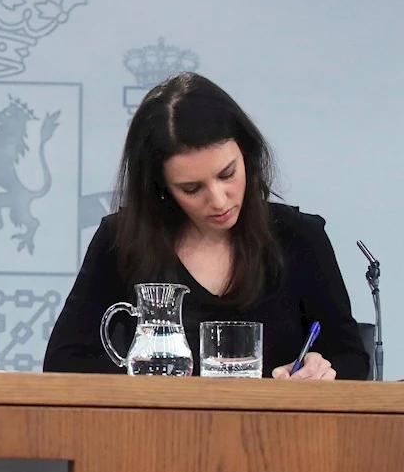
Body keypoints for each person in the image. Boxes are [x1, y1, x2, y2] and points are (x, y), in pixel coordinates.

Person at [43, 72, 368, 380]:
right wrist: (145, 382)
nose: (218, 199)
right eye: (191, 188)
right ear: (162, 188)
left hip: (279, 435)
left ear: (247, 154)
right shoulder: (121, 240)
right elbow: (63, 362)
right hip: (155, 434)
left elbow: (350, 356)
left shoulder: (299, 236)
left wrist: (322, 368)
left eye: (227, 174)